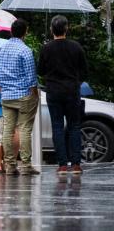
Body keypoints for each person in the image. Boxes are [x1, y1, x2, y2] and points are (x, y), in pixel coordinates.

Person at [0, 18, 40, 176]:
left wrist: (1, 89)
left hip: (7, 97)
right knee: (24, 129)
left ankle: (9, 165)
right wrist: (35, 95)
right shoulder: (25, 50)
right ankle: (26, 165)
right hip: (24, 96)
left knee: (8, 131)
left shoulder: (0, 49)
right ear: (25, 32)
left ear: (11, 31)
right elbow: (31, 79)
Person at [38, 14, 88, 175]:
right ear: (67, 28)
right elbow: (84, 72)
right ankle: (76, 164)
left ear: (52, 29)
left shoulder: (46, 48)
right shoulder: (76, 47)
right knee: (74, 127)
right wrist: (75, 83)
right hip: (72, 91)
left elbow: (41, 71)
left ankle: (62, 165)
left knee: (57, 127)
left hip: (53, 91)